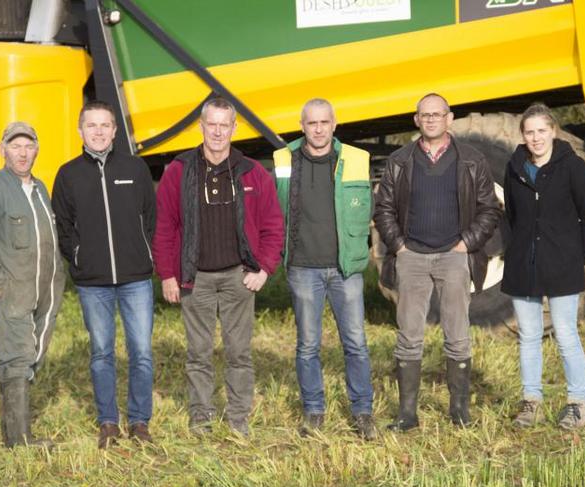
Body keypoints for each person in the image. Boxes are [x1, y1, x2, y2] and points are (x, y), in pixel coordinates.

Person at [153, 97, 284, 437]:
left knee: (239, 352)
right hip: (195, 278)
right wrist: (167, 273)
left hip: (238, 277)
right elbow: (164, 225)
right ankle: (201, 417)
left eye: (224, 125)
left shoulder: (253, 172)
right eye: (211, 124)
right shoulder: (179, 172)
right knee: (198, 353)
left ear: (234, 128)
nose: (217, 132)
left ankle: (238, 417)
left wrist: (265, 269)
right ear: (201, 126)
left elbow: (273, 226)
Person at [374, 93, 500, 429]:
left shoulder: (471, 160)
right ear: (416, 120)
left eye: (437, 114)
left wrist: (465, 244)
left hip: (453, 256)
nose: (430, 120)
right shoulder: (400, 160)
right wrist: (399, 247)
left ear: (449, 118)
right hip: (412, 256)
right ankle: (407, 414)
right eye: (424, 115)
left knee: (457, 334)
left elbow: (490, 210)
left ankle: (459, 411)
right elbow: (383, 208)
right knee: (409, 335)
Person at [52, 101, 156, 448]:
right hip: (93, 282)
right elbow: (63, 228)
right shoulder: (68, 175)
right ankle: (108, 423)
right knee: (101, 353)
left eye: (105, 125)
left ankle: (140, 422)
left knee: (141, 351)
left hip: (136, 278)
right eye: (91, 125)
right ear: (80, 131)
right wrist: (79, 259)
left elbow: (151, 217)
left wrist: (147, 253)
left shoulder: (136, 168)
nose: (98, 131)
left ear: (115, 130)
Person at [274, 98, 376, 440]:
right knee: (307, 345)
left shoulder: (356, 159)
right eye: (311, 123)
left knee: (356, 344)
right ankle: (314, 411)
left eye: (324, 122)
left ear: (334, 124)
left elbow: (369, 208)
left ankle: (362, 412)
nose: (318, 129)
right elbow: (274, 209)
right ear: (302, 126)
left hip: (344, 269)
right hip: (303, 268)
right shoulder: (284, 159)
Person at [0, 121, 65, 448]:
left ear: (36, 149)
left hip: (45, 292)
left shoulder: (40, 189)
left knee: (32, 354)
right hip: (15, 293)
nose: (22, 153)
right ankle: (19, 440)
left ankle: (14, 433)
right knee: (17, 358)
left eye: (28, 146)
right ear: (2, 149)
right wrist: (0, 288)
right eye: (15, 146)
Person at [502, 103, 585, 430]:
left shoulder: (573, 167)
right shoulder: (515, 167)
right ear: (523, 136)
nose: (536, 138)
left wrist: (575, 256)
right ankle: (531, 402)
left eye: (541, 130)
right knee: (528, 336)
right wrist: (519, 249)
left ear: (553, 131)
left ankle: (578, 405)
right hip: (523, 265)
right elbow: (513, 216)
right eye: (529, 132)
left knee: (566, 334)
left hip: (563, 265)